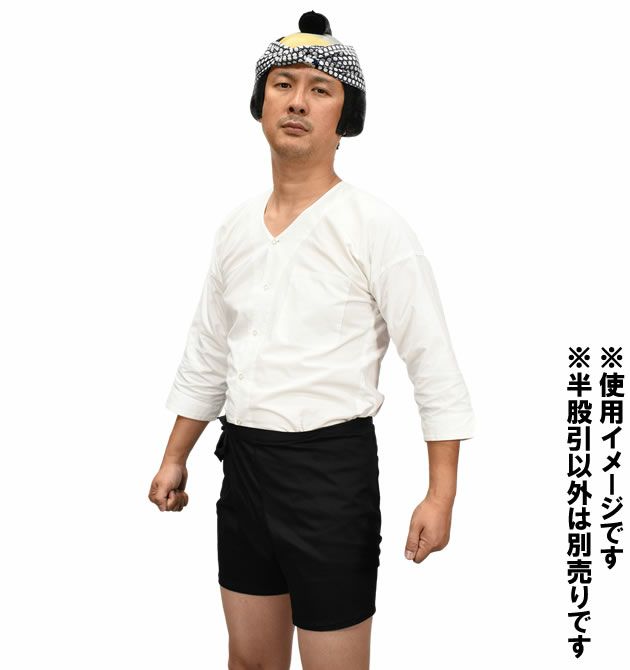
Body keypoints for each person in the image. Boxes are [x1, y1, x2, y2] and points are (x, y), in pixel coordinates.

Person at [148, 10, 475, 670]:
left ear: (343, 118)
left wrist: (440, 495)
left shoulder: (375, 227)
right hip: (245, 469)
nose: (297, 101)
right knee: (250, 662)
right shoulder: (236, 228)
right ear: (260, 104)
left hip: (330, 476)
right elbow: (209, 350)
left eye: (320, 90)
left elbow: (433, 365)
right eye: (283, 84)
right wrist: (175, 456)